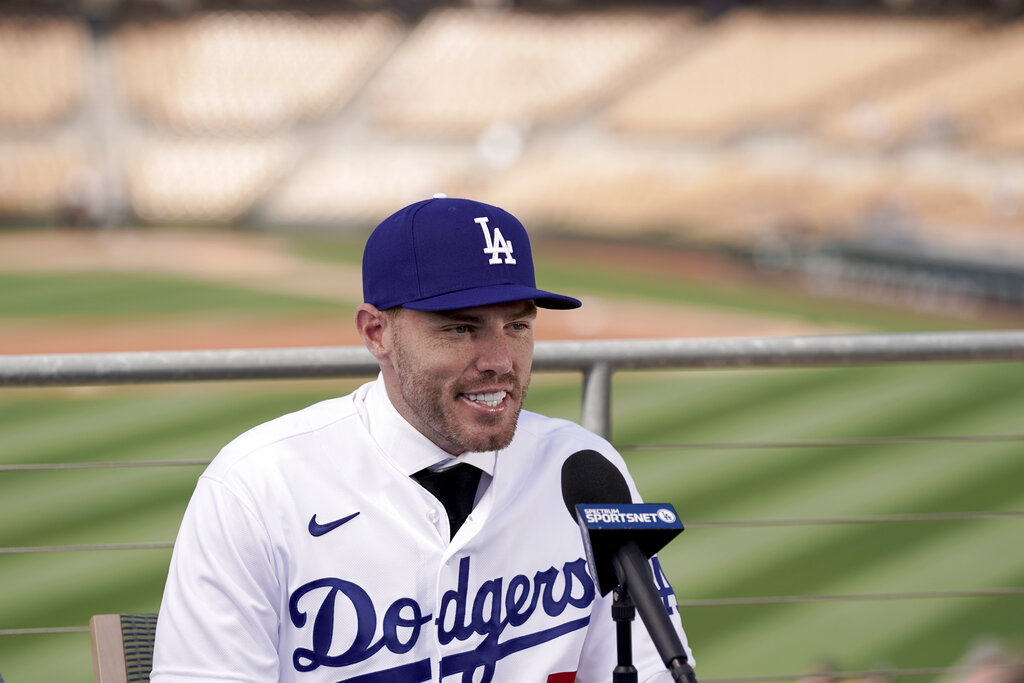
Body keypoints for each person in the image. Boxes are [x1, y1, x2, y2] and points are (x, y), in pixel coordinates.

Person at [151, 196, 694, 682]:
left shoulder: (581, 470)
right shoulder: (258, 486)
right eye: (460, 329)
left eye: (518, 327)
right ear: (375, 332)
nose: (500, 362)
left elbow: (653, 668)